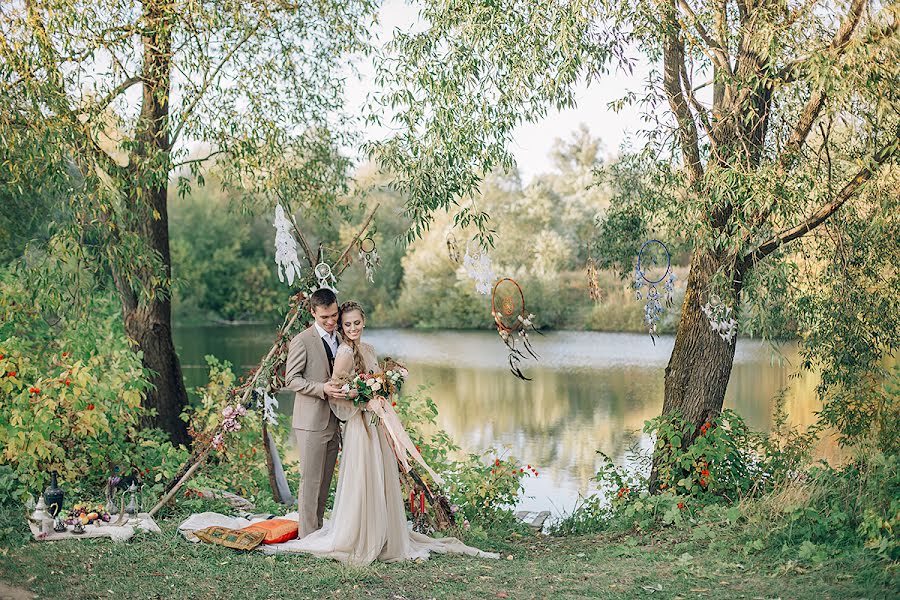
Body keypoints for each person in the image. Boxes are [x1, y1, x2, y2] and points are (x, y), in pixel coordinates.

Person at [268, 300, 498, 564]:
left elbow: (368, 383)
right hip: (341, 422)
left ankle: (374, 531)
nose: (342, 325)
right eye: (342, 322)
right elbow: (324, 387)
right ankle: (316, 536)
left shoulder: (364, 348)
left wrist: (388, 384)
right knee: (326, 480)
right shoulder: (326, 346)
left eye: (350, 321)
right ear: (316, 314)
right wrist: (358, 396)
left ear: (363, 321)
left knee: (367, 477)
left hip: (366, 423)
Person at [283, 288, 347, 538]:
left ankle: (318, 529)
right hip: (310, 422)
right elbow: (292, 380)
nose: (331, 322)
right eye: (325, 318)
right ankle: (307, 536)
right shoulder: (302, 340)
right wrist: (322, 388)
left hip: (334, 419)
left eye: (334, 315)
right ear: (313, 313)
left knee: (324, 481)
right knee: (309, 482)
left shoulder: (340, 339)